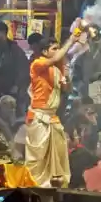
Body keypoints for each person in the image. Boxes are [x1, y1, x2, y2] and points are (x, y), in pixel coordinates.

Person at [26, 31, 81, 187]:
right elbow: (57, 58)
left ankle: (56, 183)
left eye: (58, 48)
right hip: (39, 116)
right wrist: (71, 40)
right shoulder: (37, 64)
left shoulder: (57, 68)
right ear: (44, 52)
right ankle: (34, 185)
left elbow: (67, 89)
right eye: (54, 48)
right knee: (38, 157)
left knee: (59, 151)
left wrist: (67, 77)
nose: (57, 52)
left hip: (52, 116)